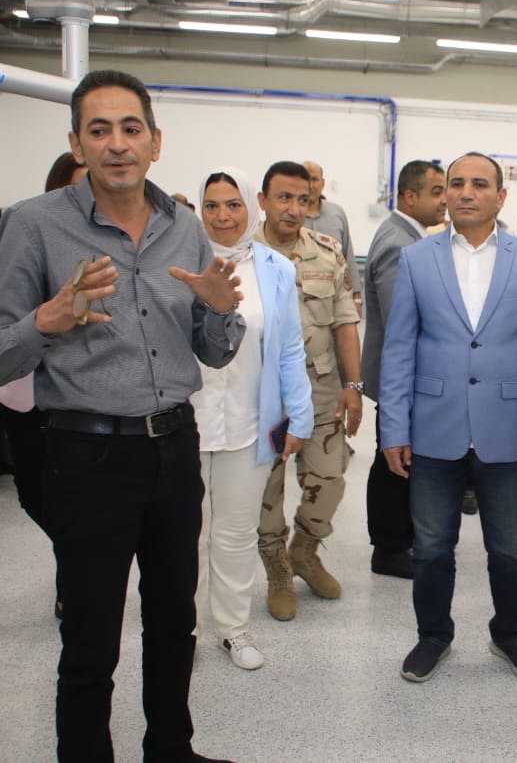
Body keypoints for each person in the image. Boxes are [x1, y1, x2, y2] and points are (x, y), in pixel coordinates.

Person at [0, 69, 242, 763]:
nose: (117, 144)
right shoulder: (35, 224)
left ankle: (171, 750)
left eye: (130, 129)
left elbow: (212, 351)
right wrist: (48, 319)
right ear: (77, 144)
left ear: (155, 141)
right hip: (87, 456)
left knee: (174, 622)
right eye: (99, 130)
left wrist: (219, 310)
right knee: (91, 635)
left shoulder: (184, 227)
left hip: (174, 448)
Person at [379, 151, 517, 685]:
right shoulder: (417, 258)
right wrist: (393, 428)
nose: (466, 192)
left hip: (504, 429)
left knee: (509, 549)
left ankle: (509, 634)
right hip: (432, 427)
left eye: (479, 184)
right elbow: (399, 349)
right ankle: (432, 636)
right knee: (430, 549)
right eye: (456, 183)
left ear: (500, 197)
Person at [190, 165, 312, 670]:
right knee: (187, 534)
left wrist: (299, 415)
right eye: (212, 205)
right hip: (186, 420)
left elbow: (289, 348)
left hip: (248, 421)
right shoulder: (181, 263)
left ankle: (234, 629)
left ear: (251, 206)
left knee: (236, 533)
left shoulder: (275, 268)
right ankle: (183, 631)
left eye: (233, 204)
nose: (222, 216)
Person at [256, 161, 362, 622]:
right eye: (284, 198)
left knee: (329, 480)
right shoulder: (244, 253)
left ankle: (304, 551)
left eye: (304, 200)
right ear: (263, 200)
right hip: (263, 395)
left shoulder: (327, 251)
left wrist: (353, 385)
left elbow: (345, 321)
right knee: (266, 487)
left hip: (320, 388)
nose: (294, 209)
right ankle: (277, 569)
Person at [0, 151, 89, 620]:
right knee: (33, 493)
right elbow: (3, 317)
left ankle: (74, 575)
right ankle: (72, 554)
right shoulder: (28, 229)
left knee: (77, 499)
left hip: (77, 394)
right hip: (28, 387)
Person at [362, 159, 447, 579]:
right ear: (410, 196)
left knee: (401, 459)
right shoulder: (399, 243)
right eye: (437, 192)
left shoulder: (410, 237)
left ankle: (401, 539)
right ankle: (390, 548)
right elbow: (402, 321)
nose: (445, 200)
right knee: (394, 461)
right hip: (402, 378)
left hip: (410, 378)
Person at [302, 160, 363, 314]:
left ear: (322, 183)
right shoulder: (292, 217)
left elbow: (348, 255)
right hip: (300, 300)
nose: (310, 185)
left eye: (314, 179)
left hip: (336, 298)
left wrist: (356, 296)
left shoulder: (337, 213)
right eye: (305, 179)